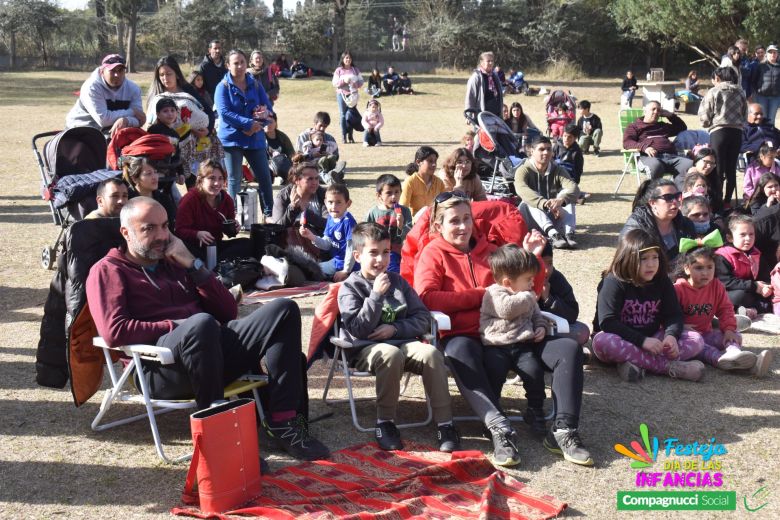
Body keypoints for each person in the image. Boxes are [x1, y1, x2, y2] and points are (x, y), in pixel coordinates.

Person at [86, 197, 329, 461]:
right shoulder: (108, 270)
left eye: (165, 226)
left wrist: (194, 265)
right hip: (159, 369)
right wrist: (175, 325)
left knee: (283, 309)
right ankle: (221, 438)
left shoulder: (175, 262)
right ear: (126, 232)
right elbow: (114, 331)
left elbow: (228, 311)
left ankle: (282, 421)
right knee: (200, 323)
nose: (161, 236)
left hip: (212, 351)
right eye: (149, 228)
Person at [414, 194, 592, 467]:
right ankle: (498, 427)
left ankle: (564, 430)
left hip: (515, 331)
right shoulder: (432, 253)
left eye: (466, 219)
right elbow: (427, 297)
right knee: (458, 350)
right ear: (439, 226)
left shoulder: (493, 250)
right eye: (454, 221)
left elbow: (527, 287)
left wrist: (533, 257)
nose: (463, 227)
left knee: (568, 348)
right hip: (468, 335)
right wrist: (480, 296)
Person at [337, 223, 460, 452]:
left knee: (432, 352)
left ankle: (445, 424)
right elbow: (357, 328)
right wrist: (375, 296)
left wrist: (395, 329)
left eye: (385, 253)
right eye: (373, 253)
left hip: (402, 342)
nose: (380, 260)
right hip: (366, 349)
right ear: (357, 255)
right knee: (390, 353)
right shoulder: (350, 287)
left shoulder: (398, 282)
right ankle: (385, 422)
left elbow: (422, 317)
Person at [592, 229, 705, 382]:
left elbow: (673, 314)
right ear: (628, 259)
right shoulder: (613, 282)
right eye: (644, 259)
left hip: (653, 339)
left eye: (655, 257)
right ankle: (669, 367)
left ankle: (634, 363)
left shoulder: (662, 281)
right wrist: (642, 341)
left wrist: (671, 336)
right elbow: (608, 322)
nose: (651, 264)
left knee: (696, 340)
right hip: (620, 339)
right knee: (602, 341)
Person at [479, 244, 549, 436]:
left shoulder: (526, 296)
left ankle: (535, 410)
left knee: (534, 373)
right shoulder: (493, 293)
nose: (532, 284)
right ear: (508, 282)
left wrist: (541, 327)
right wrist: (528, 296)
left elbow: (537, 315)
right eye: (528, 279)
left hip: (521, 346)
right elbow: (506, 310)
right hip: (496, 346)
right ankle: (492, 415)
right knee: (494, 375)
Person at [674, 243, 771, 376]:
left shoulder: (716, 286)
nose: (705, 273)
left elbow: (726, 309)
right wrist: (680, 326)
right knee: (699, 343)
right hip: (686, 337)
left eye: (710, 267)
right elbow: (667, 315)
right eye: (699, 268)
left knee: (735, 335)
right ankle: (725, 361)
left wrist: (729, 329)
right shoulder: (678, 289)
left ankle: (735, 354)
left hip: (706, 333)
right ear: (687, 268)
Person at [214, 48, 274, 214]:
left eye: (242, 62)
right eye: (235, 63)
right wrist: (248, 124)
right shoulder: (222, 87)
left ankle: (269, 214)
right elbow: (225, 113)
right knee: (234, 180)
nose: (239, 66)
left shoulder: (255, 83)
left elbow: (268, 108)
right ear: (228, 65)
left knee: (264, 177)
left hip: (255, 138)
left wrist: (261, 121)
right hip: (232, 139)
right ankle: (232, 216)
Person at [175, 160, 253, 262]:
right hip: (194, 247)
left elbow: (228, 231)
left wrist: (234, 228)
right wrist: (197, 234)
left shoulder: (226, 200)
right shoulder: (190, 200)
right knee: (185, 250)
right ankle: (212, 264)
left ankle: (215, 264)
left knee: (248, 244)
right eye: (212, 178)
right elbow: (179, 231)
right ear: (200, 180)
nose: (217, 183)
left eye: (220, 179)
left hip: (216, 246)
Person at [515, 136, 580, 249]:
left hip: (553, 215)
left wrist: (561, 200)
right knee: (529, 201)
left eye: (549, 149)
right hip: (531, 220)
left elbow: (574, 188)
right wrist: (545, 204)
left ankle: (569, 234)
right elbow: (521, 189)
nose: (546, 152)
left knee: (567, 195)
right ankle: (553, 235)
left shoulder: (558, 169)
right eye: (541, 149)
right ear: (532, 151)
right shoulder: (523, 170)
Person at [698, 66, 748, 210]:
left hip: (719, 132)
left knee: (718, 167)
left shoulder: (714, 91)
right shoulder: (740, 91)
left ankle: (717, 201)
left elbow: (705, 114)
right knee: (731, 168)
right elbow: (745, 114)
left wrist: (707, 123)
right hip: (736, 132)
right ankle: (727, 201)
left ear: (718, 78)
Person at [65, 54, 145, 135]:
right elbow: (103, 120)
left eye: (120, 70)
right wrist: (132, 112)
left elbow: (140, 119)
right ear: (102, 71)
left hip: (110, 131)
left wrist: (126, 120)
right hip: (80, 130)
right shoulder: (92, 87)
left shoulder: (133, 88)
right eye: (112, 70)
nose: (117, 75)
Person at [621, 179, 696, 263]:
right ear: (652, 203)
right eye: (668, 198)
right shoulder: (636, 229)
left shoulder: (685, 224)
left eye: (677, 196)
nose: (675, 201)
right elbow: (630, 263)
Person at [715, 214, 773, 318]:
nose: (748, 239)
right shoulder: (723, 256)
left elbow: (765, 276)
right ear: (729, 238)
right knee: (739, 296)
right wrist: (754, 286)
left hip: (752, 291)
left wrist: (765, 286)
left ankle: (752, 310)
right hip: (732, 292)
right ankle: (738, 310)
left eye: (751, 234)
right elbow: (726, 282)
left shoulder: (756, 254)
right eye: (742, 235)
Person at [538, 242, 591, 348]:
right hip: (528, 330)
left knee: (582, 331)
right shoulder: (521, 279)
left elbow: (572, 314)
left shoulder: (556, 278)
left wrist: (549, 300)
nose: (547, 270)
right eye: (541, 265)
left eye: (550, 263)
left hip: (552, 329)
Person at [623, 101, 693, 180]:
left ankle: (678, 191)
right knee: (656, 165)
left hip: (672, 157)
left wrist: (670, 115)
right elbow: (627, 142)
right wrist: (644, 147)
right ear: (645, 110)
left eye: (659, 110)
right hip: (649, 158)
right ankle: (653, 191)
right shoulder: (634, 126)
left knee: (689, 165)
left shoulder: (662, 126)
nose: (656, 112)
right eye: (653, 109)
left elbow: (682, 128)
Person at [300, 183, 356, 282]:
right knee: (308, 269)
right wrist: (311, 236)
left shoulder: (348, 222)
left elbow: (351, 250)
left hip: (350, 266)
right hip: (336, 262)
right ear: (325, 202)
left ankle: (350, 276)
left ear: (348, 203)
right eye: (330, 202)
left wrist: (345, 271)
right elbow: (327, 245)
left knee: (310, 273)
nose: (334, 206)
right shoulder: (331, 217)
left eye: (338, 202)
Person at [271, 159, 328, 251]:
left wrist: (307, 214)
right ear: (297, 180)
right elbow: (276, 228)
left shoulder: (323, 195)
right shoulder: (283, 196)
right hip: (289, 247)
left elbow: (330, 224)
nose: (315, 183)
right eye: (310, 179)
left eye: (317, 178)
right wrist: (293, 208)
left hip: (319, 246)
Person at [365, 174, 412, 274]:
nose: (394, 196)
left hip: (401, 251)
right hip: (382, 252)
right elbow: (366, 234)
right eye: (389, 193)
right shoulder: (373, 213)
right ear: (379, 195)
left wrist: (401, 225)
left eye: (397, 192)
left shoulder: (405, 211)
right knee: (393, 272)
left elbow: (409, 236)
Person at [122, 155, 176, 229]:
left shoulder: (164, 199)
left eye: (155, 172)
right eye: (148, 173)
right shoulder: (126, 200)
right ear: (135, 179)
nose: (155, 177)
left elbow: (170, 228)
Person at [400, 146, 446, 217]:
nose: (434, 164)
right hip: (416, 223)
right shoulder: (410, 182)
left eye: (435, 161)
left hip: (435, 221)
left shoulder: (439, 182)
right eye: (430, 161)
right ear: (418, 162)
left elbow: (445, 205)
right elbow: (403, 209)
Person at [332, 51, 364, 144]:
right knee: (343, 114)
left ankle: (350, 136)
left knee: (350, 115)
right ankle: (344, 135)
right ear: (343, 59)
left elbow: (361, 82)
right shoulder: (339, 70)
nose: (348, 59)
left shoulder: (355, 70)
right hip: (341, 94)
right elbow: (335, 83)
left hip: (353, 95)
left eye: (349, 58)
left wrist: (355, 84)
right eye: (346, 58)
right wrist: (344, 81)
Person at [465, 52, 504, 118]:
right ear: (481, 62)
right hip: (482, 116)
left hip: (496, 115)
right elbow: (470, 97)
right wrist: (469, 115)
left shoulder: (495, 75)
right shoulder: (476, 77)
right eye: (488, 61)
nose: (491, 63)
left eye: (492, 61)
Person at [751, 44, 780, 125]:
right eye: (771, 52)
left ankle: (770, 137)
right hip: (761, 97)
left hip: (775, 98)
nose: (773, 54)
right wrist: (757, 91)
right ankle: (762, 137)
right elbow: (754, 80)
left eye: (775, 52)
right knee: (762, 118)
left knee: (771, 119)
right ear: (767, 54)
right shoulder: (760, 66)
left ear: (777, 54)